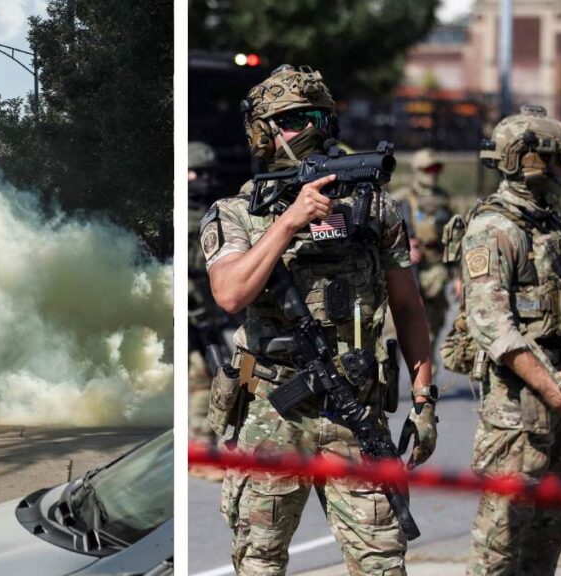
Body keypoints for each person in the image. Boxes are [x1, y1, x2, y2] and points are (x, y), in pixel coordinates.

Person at [201, 64, 438, 575]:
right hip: (270, 411)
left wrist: (424, 401)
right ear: (263, 132)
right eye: (290, 121)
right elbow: (230, 293)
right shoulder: (235, 212)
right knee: (259, 561)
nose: (306, 130)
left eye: (316, 117)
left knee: (382, 563)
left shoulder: (374, 207)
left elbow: (409, 308)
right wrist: (289, 221)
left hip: (353, 409)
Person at [461, 105, 561, 575]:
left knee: (548, 540)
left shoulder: (554, 225)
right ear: (529, 162)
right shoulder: (494, 230)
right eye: (557, 161)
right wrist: (551, 387)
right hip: (519, 413)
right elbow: (493, 326)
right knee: (500, 547)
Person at [188, 141, 229, 481]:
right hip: (192, 321)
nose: (201, 180)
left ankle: (209, 449)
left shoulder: (212, 214)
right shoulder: (185, 219)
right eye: (194, 173)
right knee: (202, 384)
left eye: (206, 174)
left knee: (223, 378)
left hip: (211, 315)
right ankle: (200, 453)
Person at [393, 148, 455, 356]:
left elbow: (456, 240)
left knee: (430, 333)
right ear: (418, 170)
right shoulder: (401, 199)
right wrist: (403, 248)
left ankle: (426, 386)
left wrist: (458, 277)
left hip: (435, 271)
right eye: (428, 169)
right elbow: (384, 235)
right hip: (406, 270)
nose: (433, 173)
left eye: (436, 168)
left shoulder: (445, 200)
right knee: (394, 335)